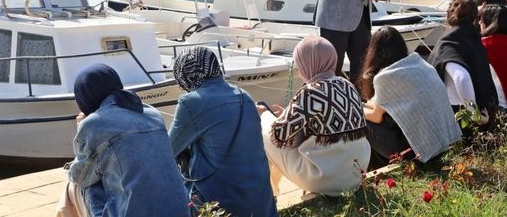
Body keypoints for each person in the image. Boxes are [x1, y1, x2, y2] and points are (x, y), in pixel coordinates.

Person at [62, 64, 189, 217]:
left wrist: (80, 127)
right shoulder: (151, 113)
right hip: (180, 211)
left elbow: (79, 176)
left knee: (77, 185)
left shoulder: (92, 124)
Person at [168, 47, 277, 217]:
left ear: (184, 74)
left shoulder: (191, 102)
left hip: (221, 207)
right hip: (261, 204)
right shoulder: (244, 96)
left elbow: (168, 150)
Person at [258, 36, 370, 196]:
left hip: (325, 178)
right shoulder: (348, 85)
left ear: (308, 63)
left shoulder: (311, 92)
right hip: (356, 174)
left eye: (299, 64)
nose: (298, 71)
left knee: (264, 129)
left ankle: (271, 196)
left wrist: (264, 113)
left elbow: (278, 135)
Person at [359, 26, 461, 170]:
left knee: (359, 121)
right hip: (440, 142)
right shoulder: (420, 65)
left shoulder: (387, 76)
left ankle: (371, 169)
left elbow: (376, 116)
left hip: (415, 151)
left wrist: (355, 109)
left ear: (374, 51)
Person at [428, 0, 500, 128]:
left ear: (449, 16)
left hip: (458, 113)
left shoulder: (447, 43)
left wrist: (474, 115)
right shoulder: (474, 37)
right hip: (481, 107)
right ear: (474, 17)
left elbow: (461, 78)